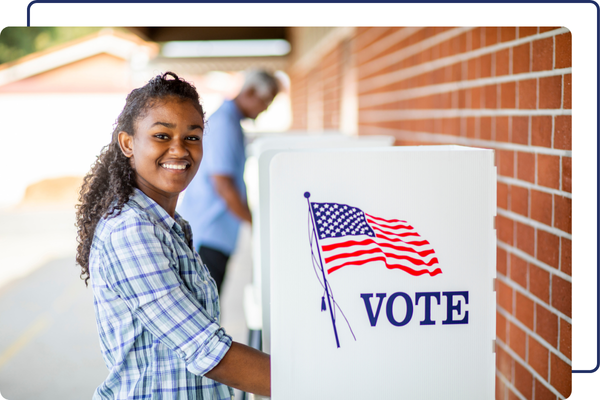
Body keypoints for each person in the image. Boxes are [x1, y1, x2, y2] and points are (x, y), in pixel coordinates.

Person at [75, 72, 270, 399]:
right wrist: (308, 382)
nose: (179, 150)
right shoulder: (131, 230)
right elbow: (206, 349)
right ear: (128, 144)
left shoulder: (170, 224)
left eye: (192, 137)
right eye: (162, 136)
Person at [177, 70, 280, 294]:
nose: (267, 108)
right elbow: (223, 184)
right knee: (204, 310)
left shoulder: (231, 120)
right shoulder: (225, 123)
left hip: (215, 233)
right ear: (251, 92)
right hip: (208, 234)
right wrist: (255, 223)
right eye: (267, 100)